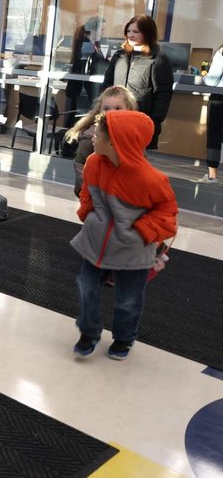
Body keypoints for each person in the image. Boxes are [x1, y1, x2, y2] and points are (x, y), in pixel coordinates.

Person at [71, 110, 178, 361]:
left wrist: (142, 232)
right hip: (97, 243)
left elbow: (168, 215)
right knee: (86, 287)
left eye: (98, 134)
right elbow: (87, 191)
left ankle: (123, 338)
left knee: (128, 300)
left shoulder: (152, 180)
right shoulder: (94, 163)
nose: (92, 137)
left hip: (133, 251)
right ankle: (89, 332)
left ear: (115, 141)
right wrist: (87, 212)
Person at [101, 14, 174, 149]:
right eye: (128, 31)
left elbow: (163, 93)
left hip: (139, 121)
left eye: (136, 31)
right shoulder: (119, 56)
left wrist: (154, 120)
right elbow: (107, 85)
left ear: (147, 33)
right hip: (114, 118)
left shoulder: (157, 59)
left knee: (133, 161)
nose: (131, 35)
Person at [62, 86, 137, 197]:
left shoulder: (133, 135)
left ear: (129, 110)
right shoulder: (90, 138)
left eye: (117, 108)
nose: (111, 113)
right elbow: (81, 172)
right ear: (100, 110)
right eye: (106, 108)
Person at [64, 17, 104, 127]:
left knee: (76, 123)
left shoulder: (92, 44)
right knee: (79, 123)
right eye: (102, 29)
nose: (103, 32)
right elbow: (87, 67)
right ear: (93, 30)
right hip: (82, 90)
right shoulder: (86, 45)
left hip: (82, 89)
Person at [198, 43, 223, 184]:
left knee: (214, 137)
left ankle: (212, 177)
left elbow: (212, 81)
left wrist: (205, 73)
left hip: (219, 99)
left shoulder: (222, 52)